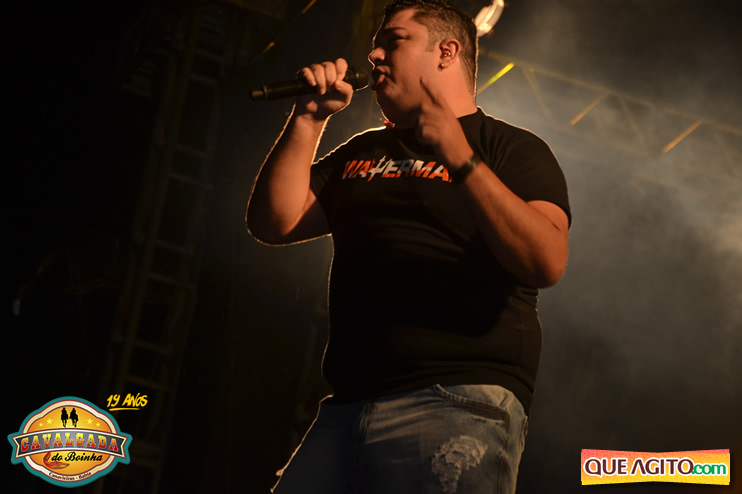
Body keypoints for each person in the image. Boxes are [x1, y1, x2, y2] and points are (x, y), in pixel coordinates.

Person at [246, 0, 571, 492]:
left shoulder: (511, 148)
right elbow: (274, 221)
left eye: (394, 41)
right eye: (376, 45)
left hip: (456, 399)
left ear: (446, 52)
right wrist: (309, 119)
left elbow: (545, 260)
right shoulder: (363, 151)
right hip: (346, 407)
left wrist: (460, 156)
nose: (374, 55)